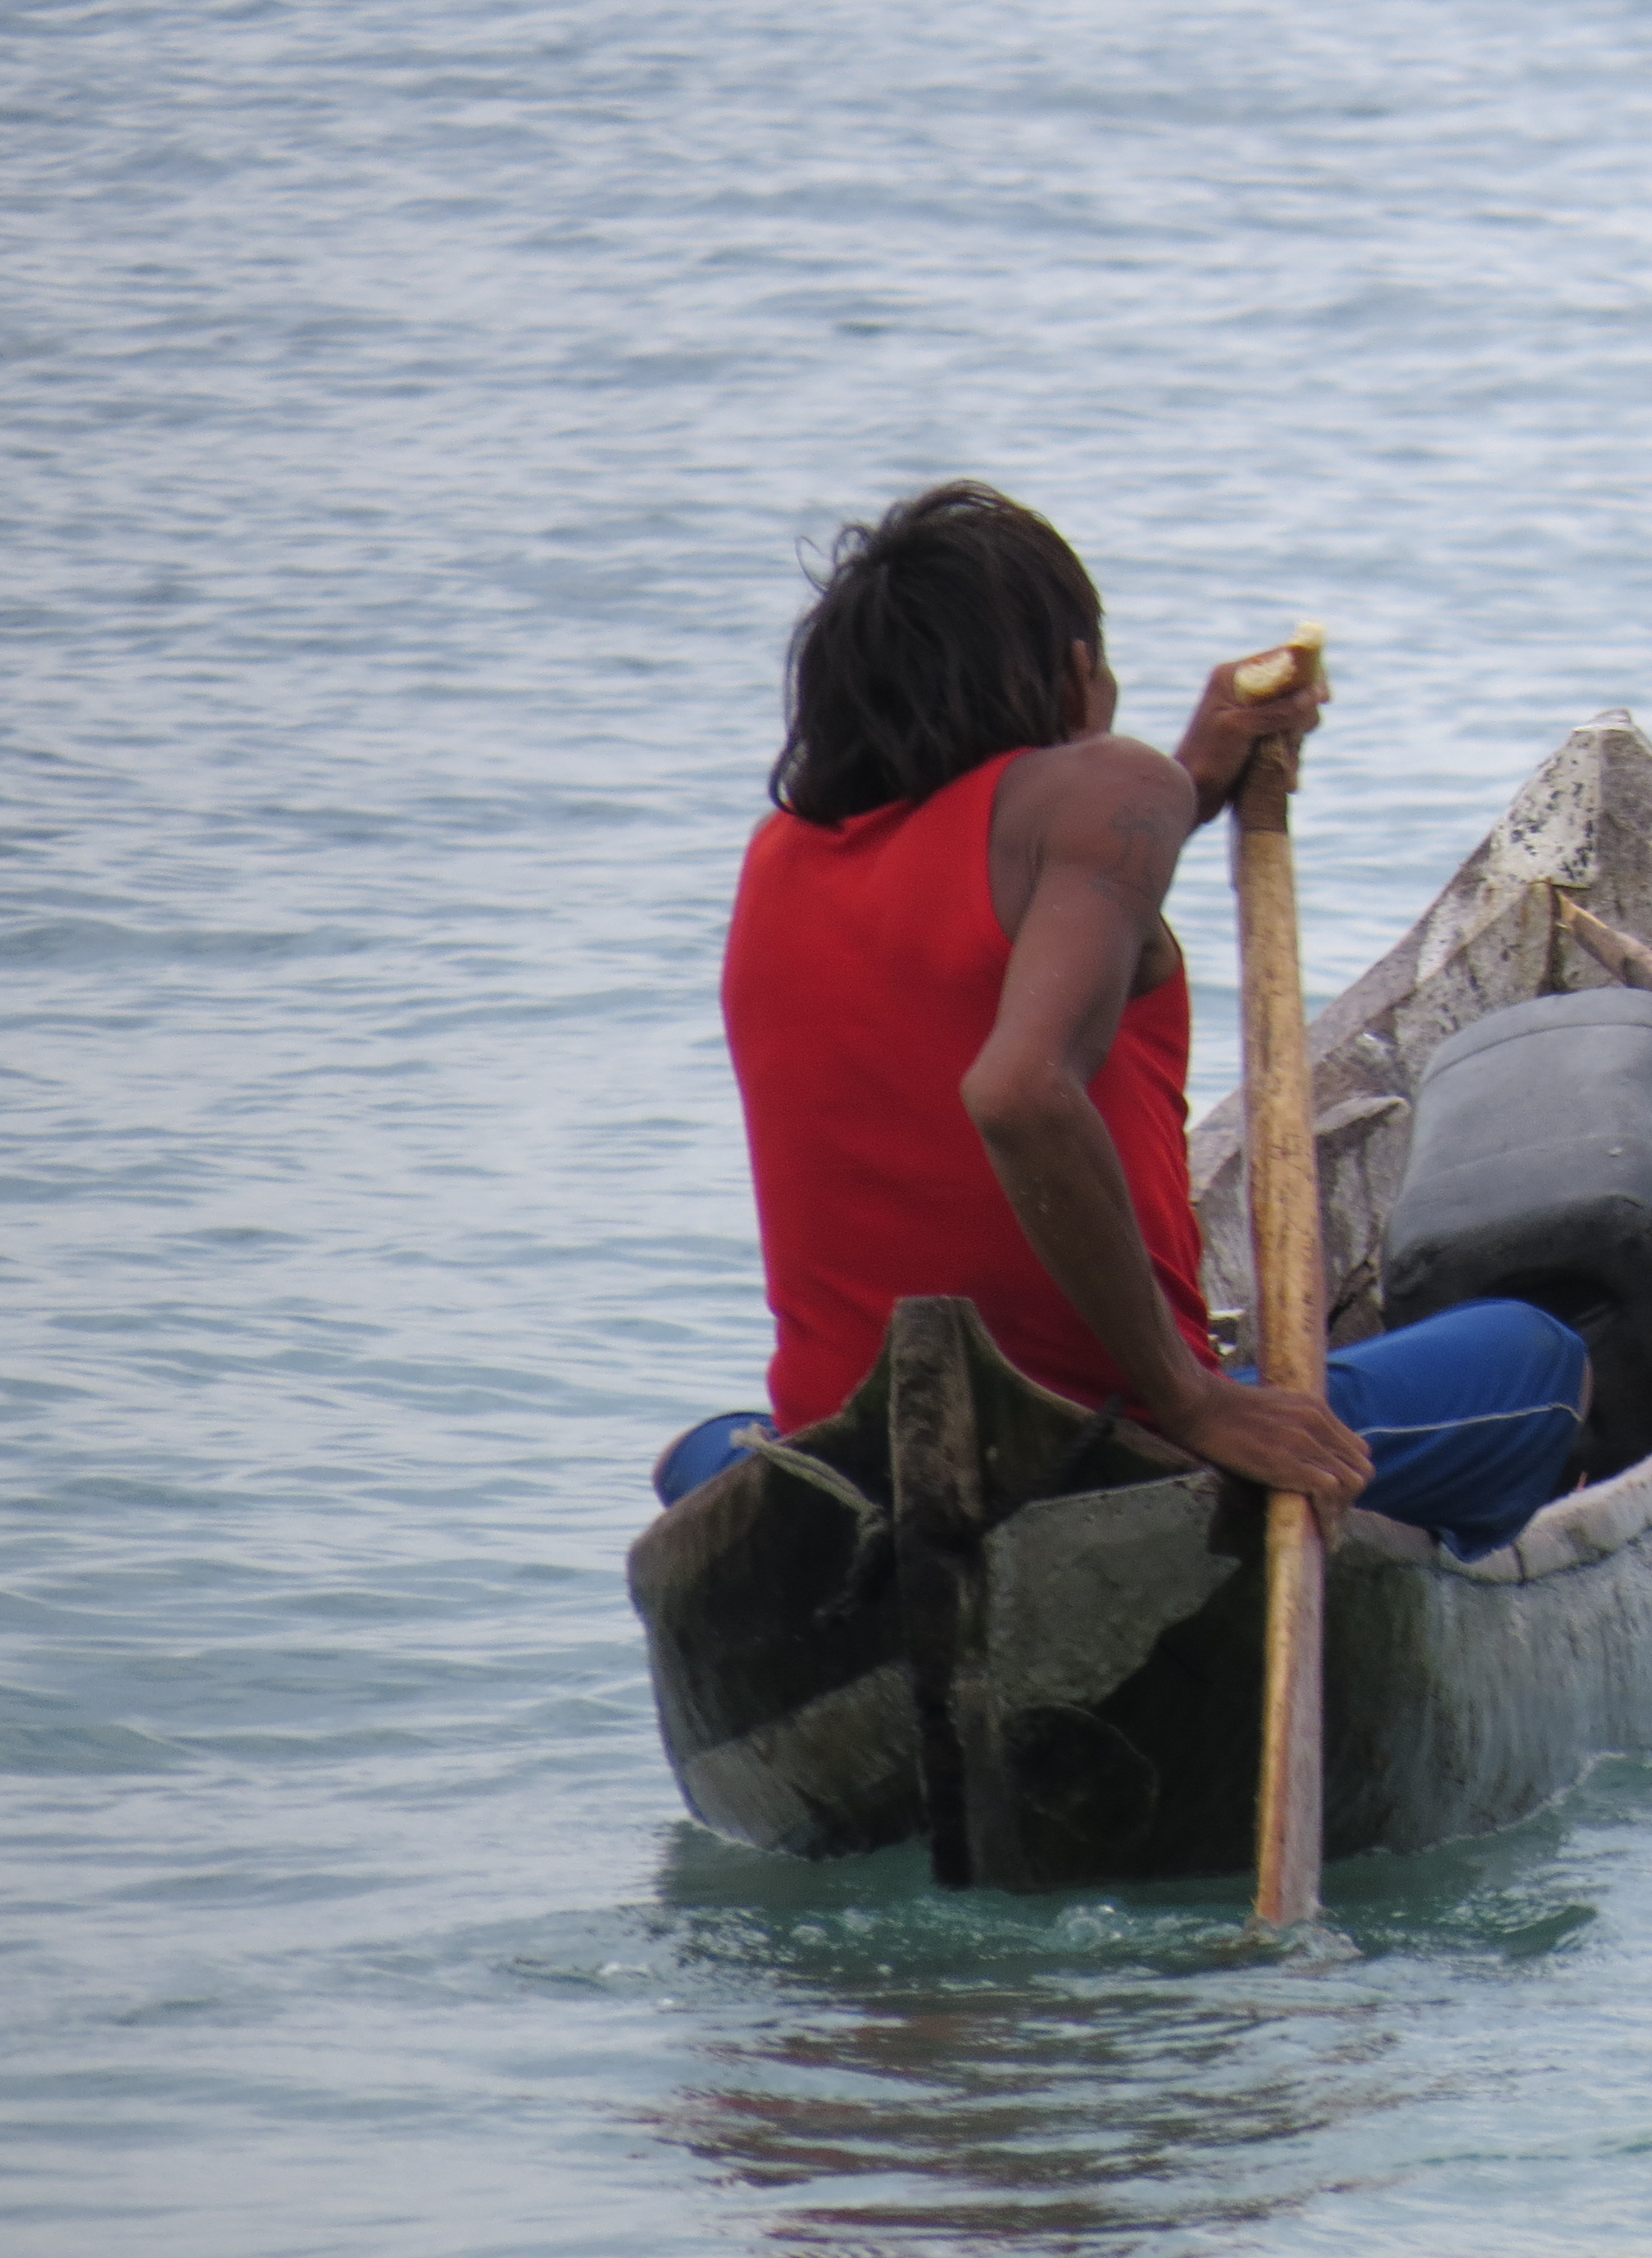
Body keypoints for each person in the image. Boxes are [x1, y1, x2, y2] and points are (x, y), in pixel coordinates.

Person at [656, 481, 1586, 1560]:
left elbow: (1024, 888)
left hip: (851, 1459)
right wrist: (1195, 1401)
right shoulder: (1105, 787)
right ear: (1070, 675)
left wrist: (1194, 778)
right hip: (1098, 1453)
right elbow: (1019, 1092)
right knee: (1539, 1364)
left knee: (704, 1454)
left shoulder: (778, 859)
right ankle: (1404, 1587)